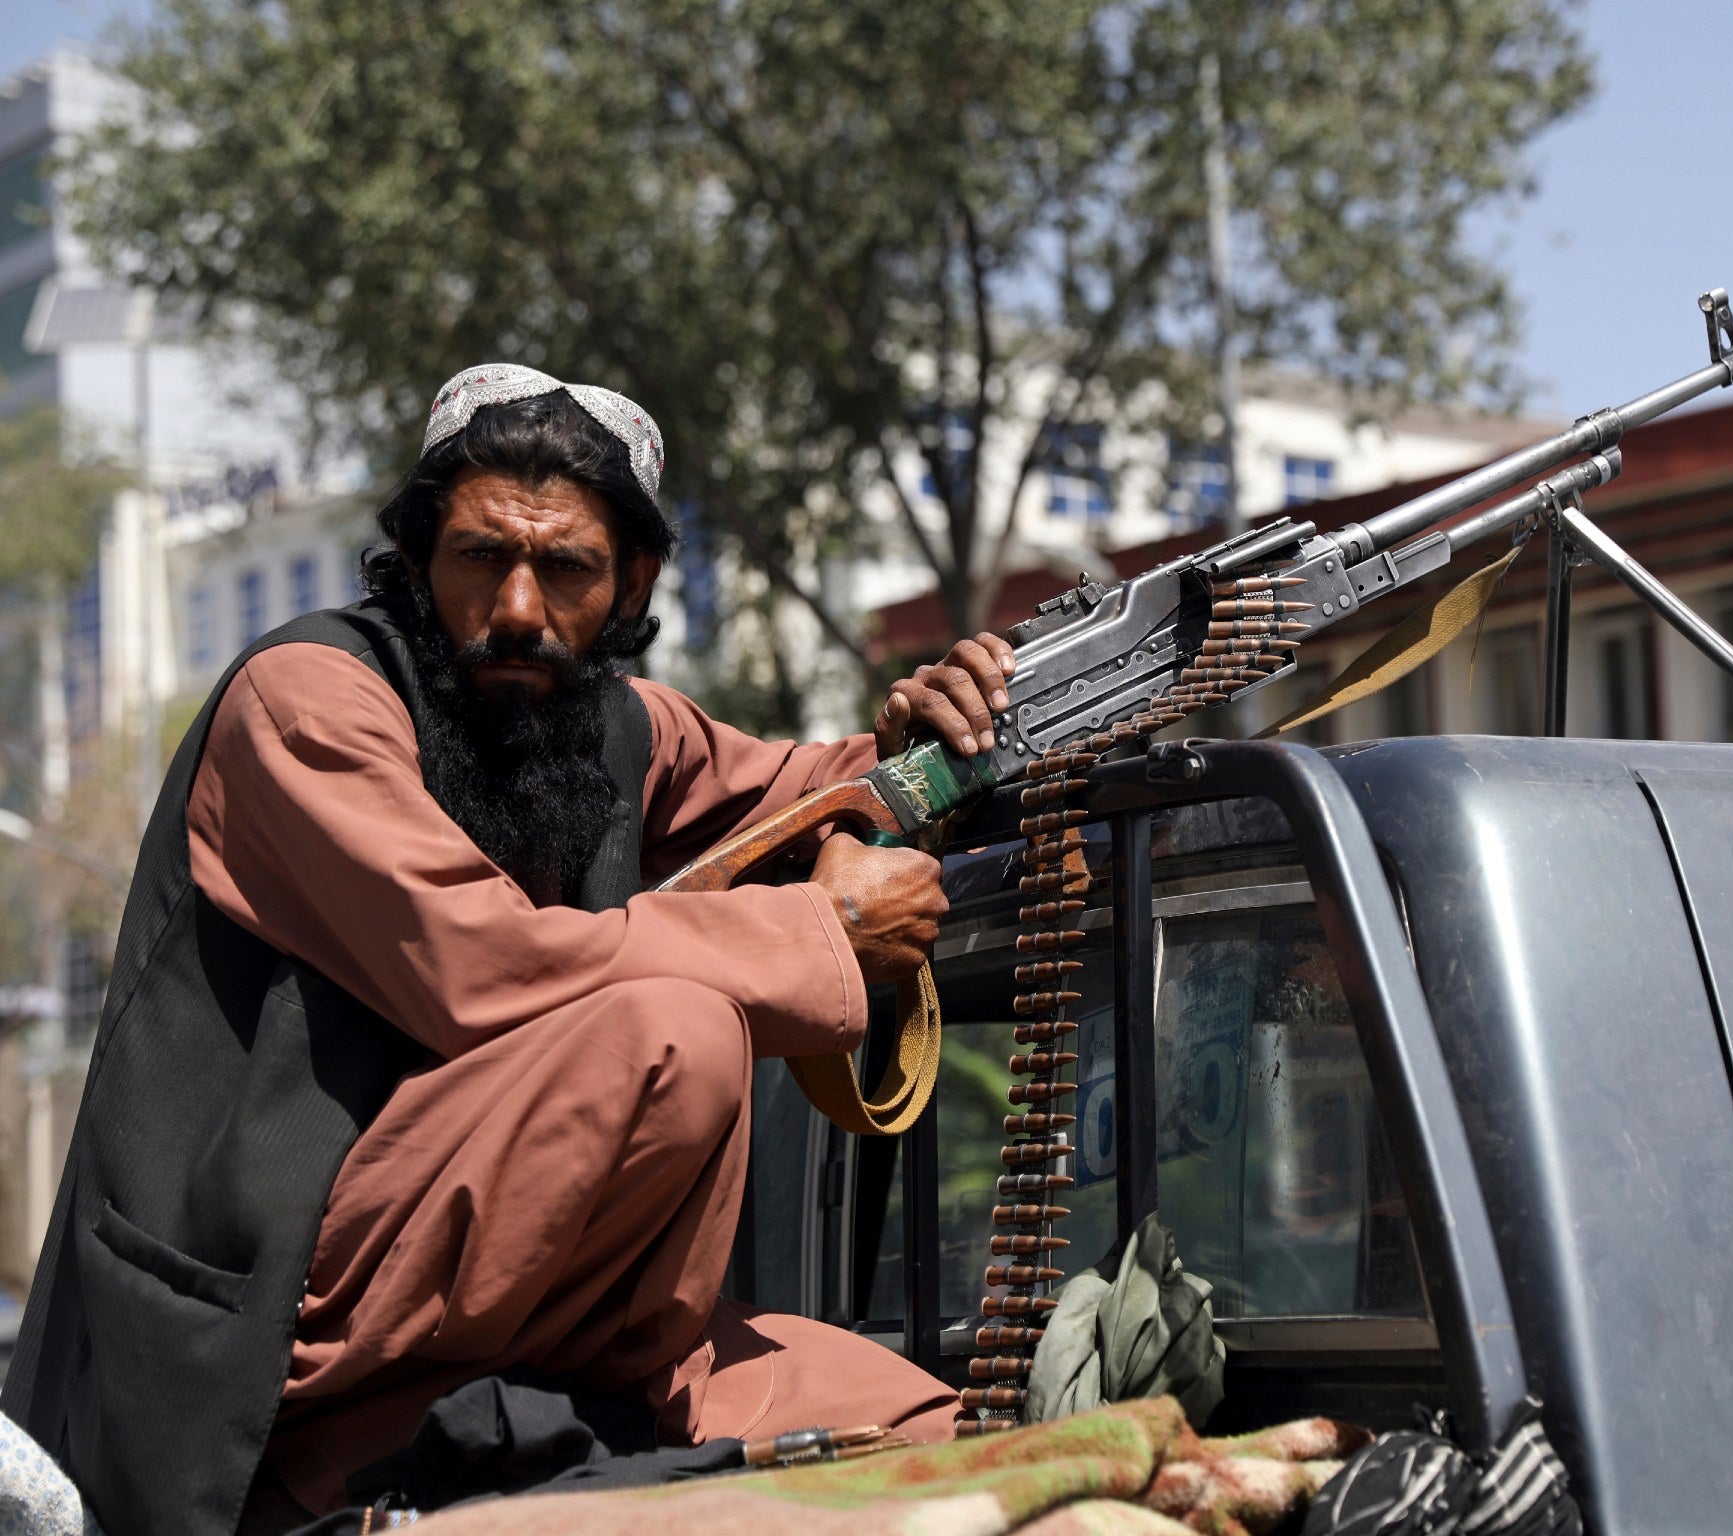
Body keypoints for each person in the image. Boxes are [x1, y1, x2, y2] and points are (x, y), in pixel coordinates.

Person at [1, 365, 1017, 1536]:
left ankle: (579, 1424)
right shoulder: (306, 703)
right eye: (482, 557)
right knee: (671, 1035)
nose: (521, 608)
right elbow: (479, 968)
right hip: (275, 1335)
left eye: (568, 569)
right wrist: (818, 932)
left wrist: (925, 735)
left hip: (533, 1326)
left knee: (946, 1437)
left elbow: (807, 793)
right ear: (421, 557)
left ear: (632, 579)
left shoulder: (616, 728)